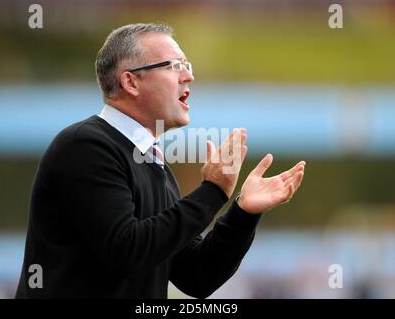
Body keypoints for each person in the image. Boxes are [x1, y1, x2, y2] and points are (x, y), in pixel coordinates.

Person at [15, 23, 305, 298]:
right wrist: (213, 191)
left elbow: (196, 275)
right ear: (130, 81)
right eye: (175, 66)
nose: (188, 76)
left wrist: (243, 213)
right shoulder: (85, 146)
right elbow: (128, 251)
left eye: (187, 67)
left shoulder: (152, 161)